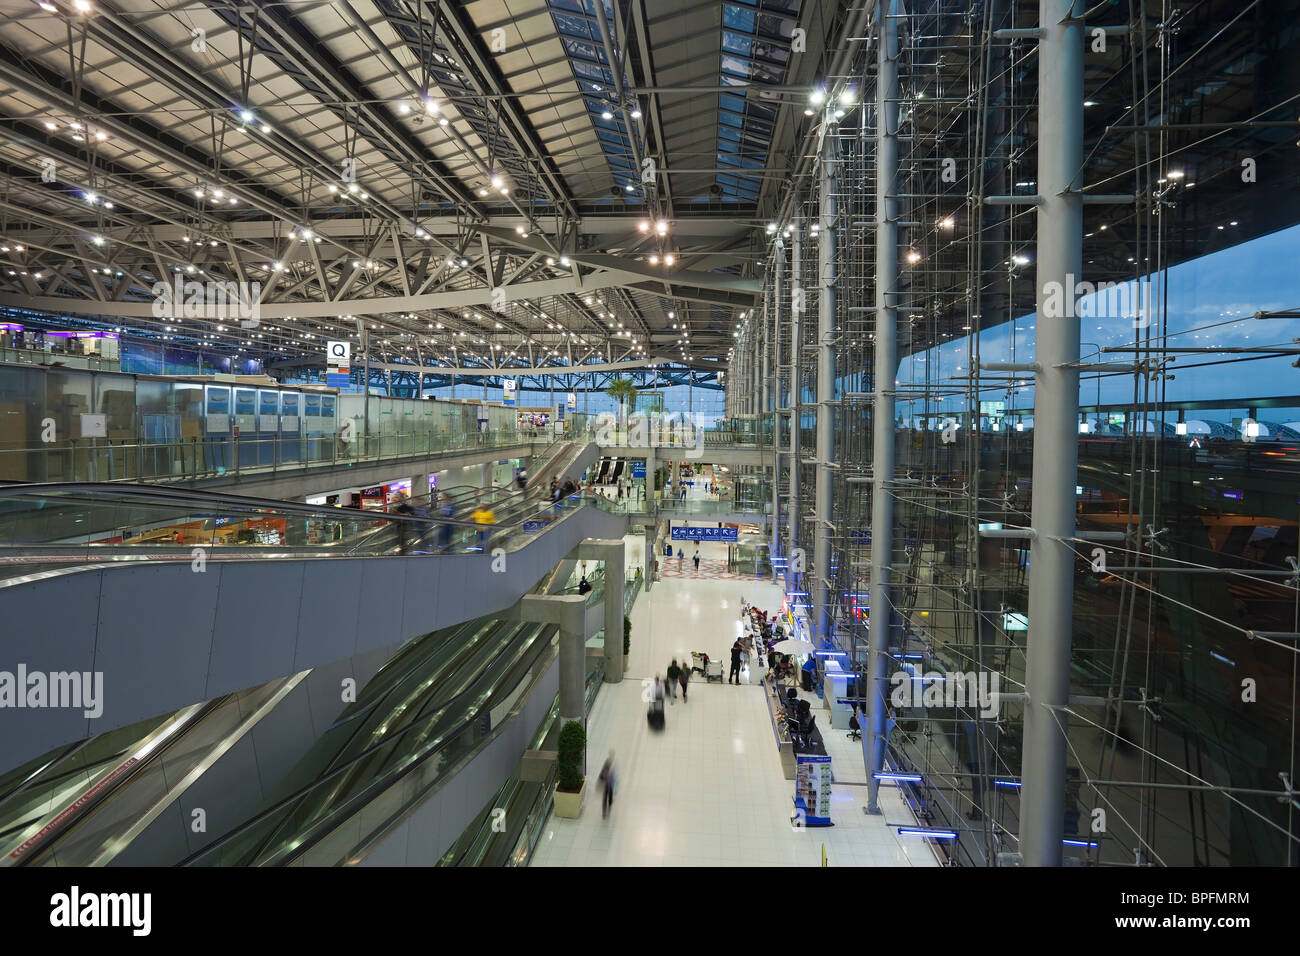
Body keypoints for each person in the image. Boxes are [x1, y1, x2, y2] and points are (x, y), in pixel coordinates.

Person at [599, 750, 616, 819]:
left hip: (608, 783)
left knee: (607, 797)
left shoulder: (609, 762)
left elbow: (602, 772)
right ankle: (604, 812)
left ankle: (608, 805)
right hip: (608, 784)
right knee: (606, 797)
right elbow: (603, 773)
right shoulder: (609, 763)